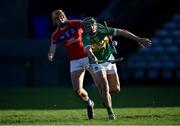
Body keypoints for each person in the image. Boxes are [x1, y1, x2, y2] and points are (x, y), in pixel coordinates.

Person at [82, 17, 152, 120]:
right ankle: (110, 113)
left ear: (96, 25)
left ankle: (105, 98)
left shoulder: (103, 30)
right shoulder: (85, 36)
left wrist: (139, 39)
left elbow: (122, 32)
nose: (91, 28)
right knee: (104, 84)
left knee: (116, 88)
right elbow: (88, 49)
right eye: (88, 26)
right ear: (85, 28)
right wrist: (93, 57)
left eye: (92, 25)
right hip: (97, 63)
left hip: (109, 58)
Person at [48, 10, 94, 119]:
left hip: (87, 56)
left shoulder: (75, 23)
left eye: (62, 16)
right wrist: (50, 54)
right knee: (77, 91)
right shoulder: (56, 35)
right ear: (55, 21)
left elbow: (90, 25)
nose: (61, 19)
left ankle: (108, 108)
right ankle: (89, 102)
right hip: (75, 61)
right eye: (58, 18)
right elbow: (52, 47)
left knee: (99, 82)